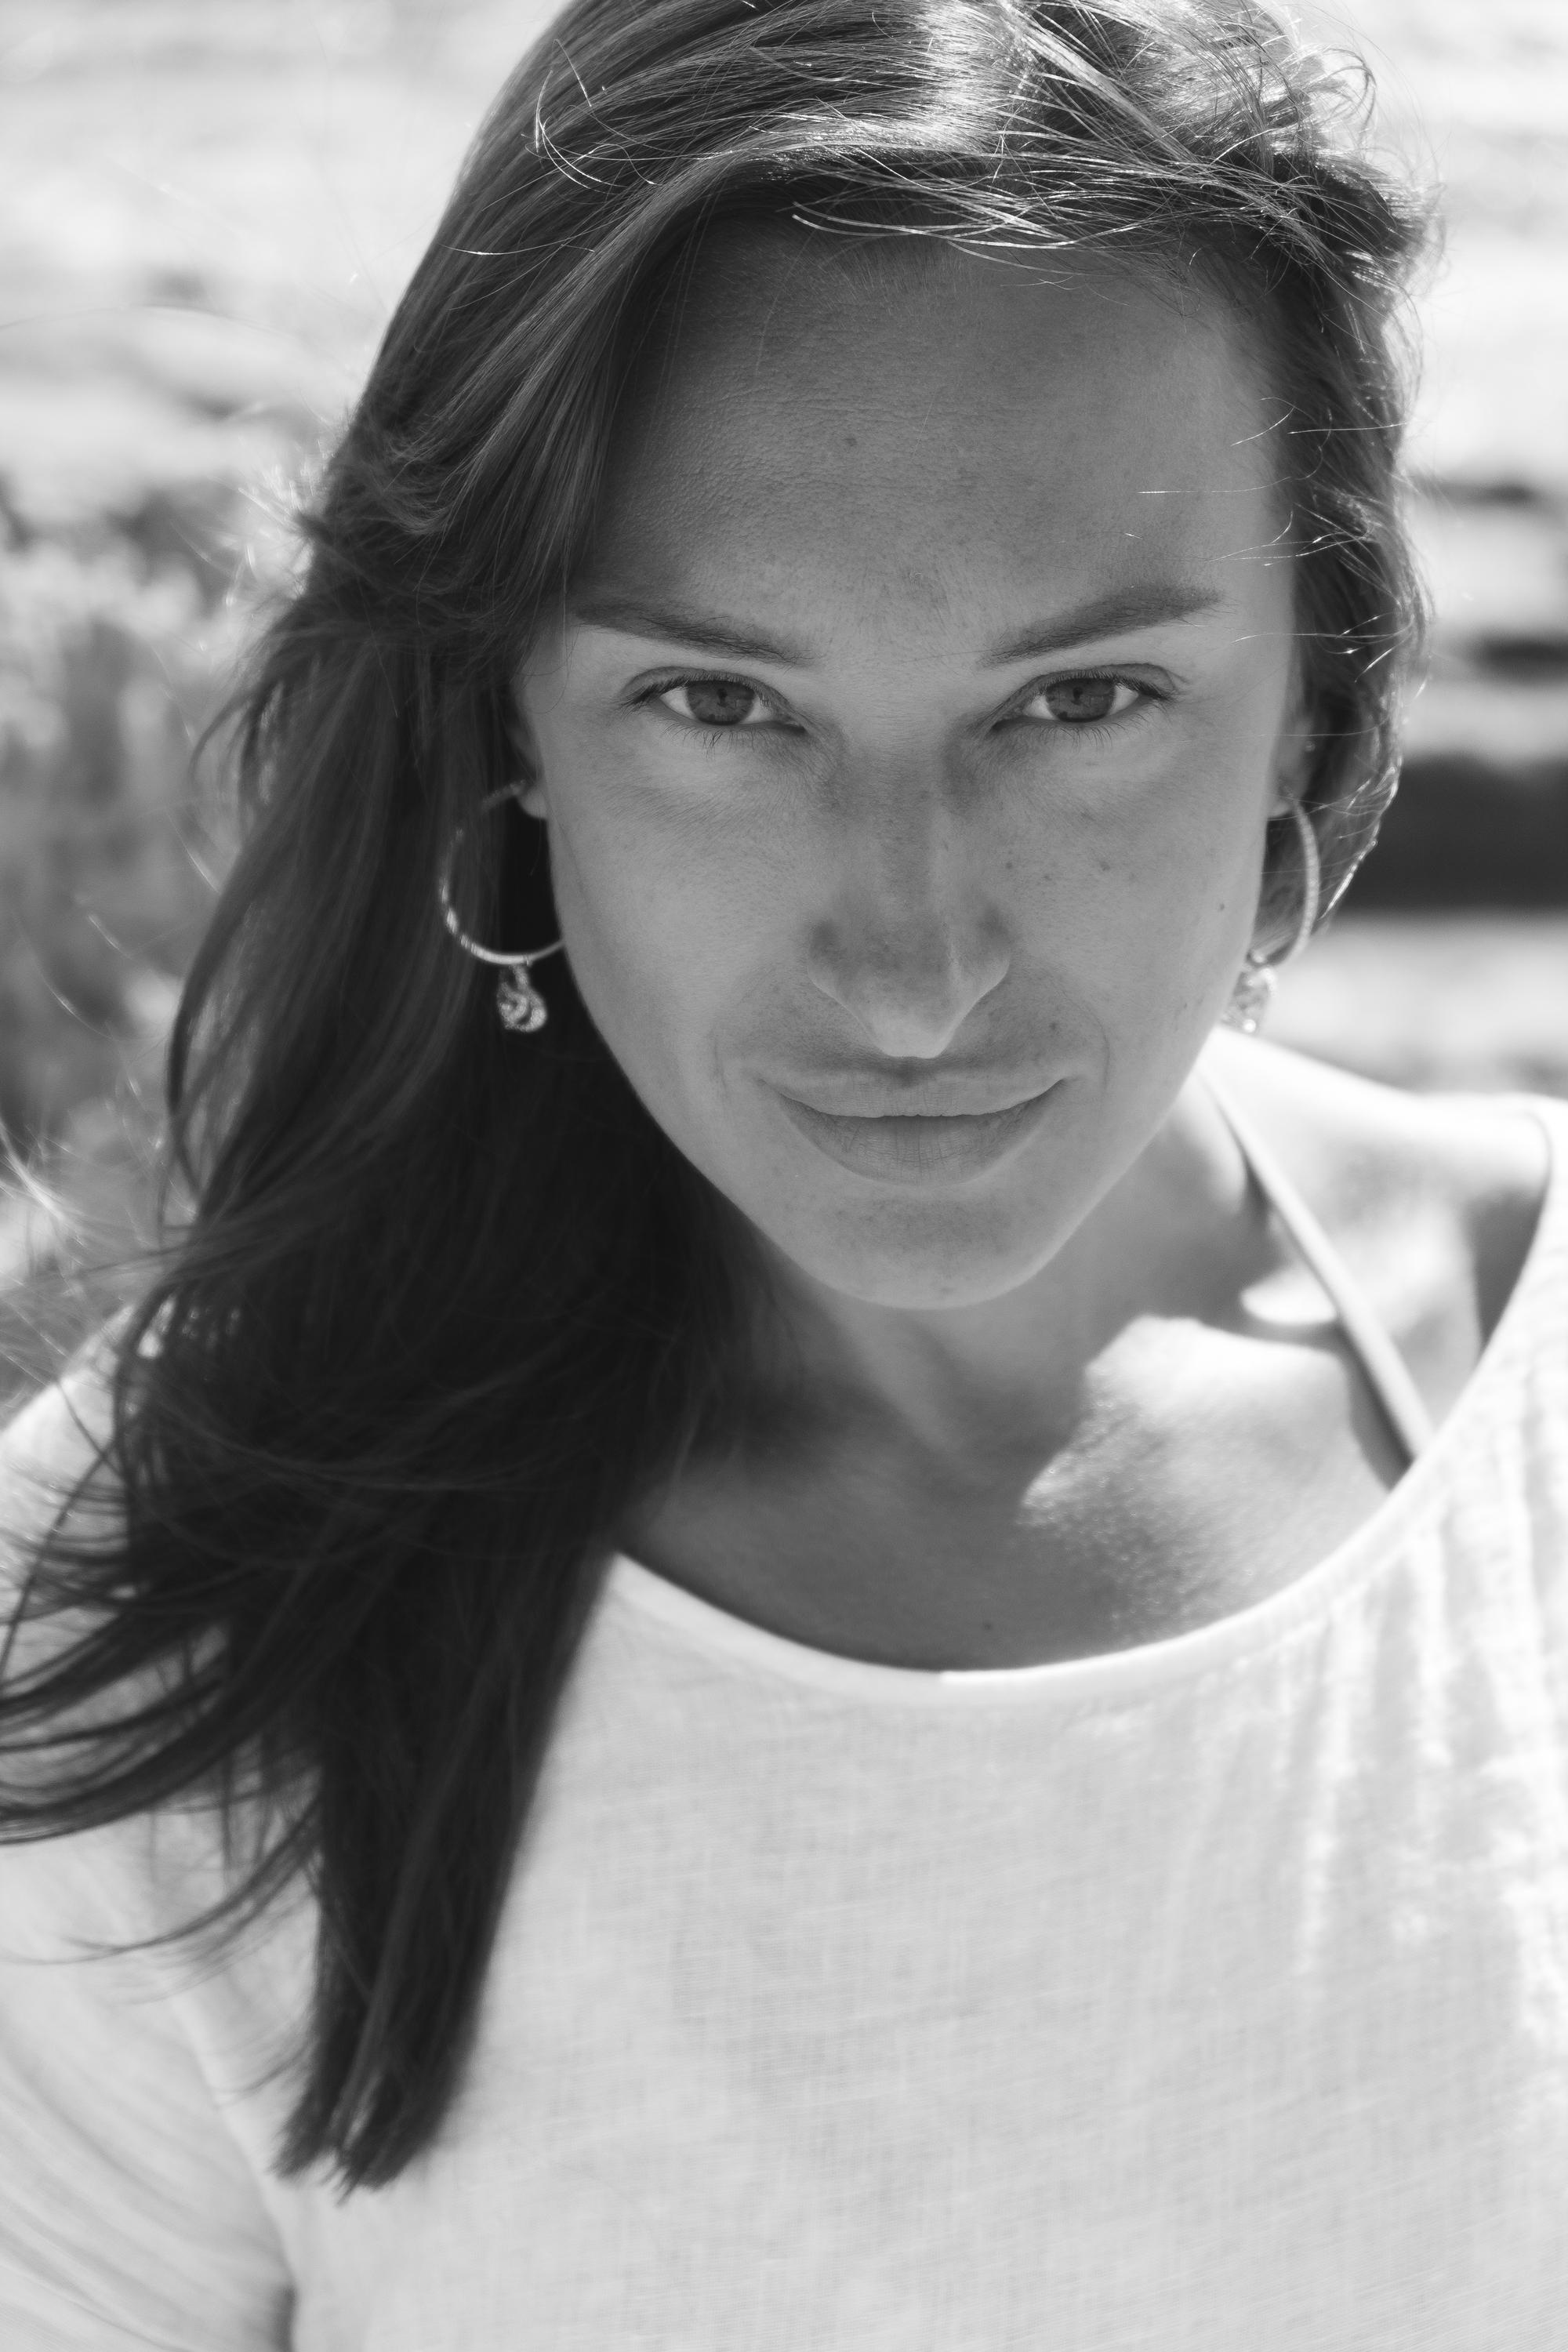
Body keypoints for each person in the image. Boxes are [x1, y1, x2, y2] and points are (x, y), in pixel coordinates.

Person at [2, 1, 1563, 2343]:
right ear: (504, 725)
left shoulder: (1532, 1404)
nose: (915, 970)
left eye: (1079, 704)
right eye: (725, 708)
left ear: (1319, 713)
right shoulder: (153, 1632)